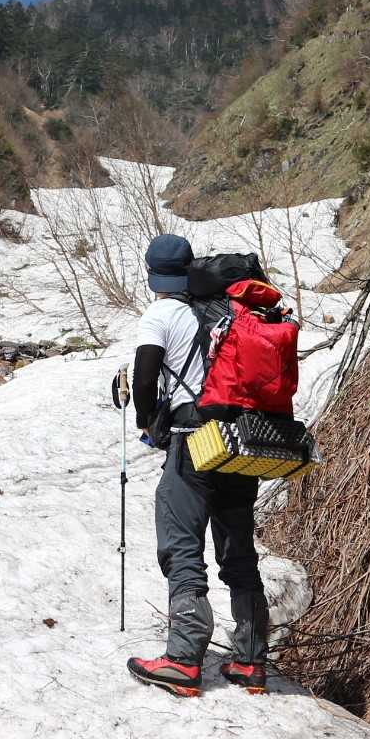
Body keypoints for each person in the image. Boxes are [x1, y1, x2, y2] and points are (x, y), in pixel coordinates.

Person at [124, 234, 270, 697]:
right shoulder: (228, 309)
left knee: (182, 544)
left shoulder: (162, 314)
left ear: (152, 275)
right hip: (240, 442)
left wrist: (148, 420)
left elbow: (145, 379)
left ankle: (184, 660)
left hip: (193, 442)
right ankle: (250, 661)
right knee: (238, 551)